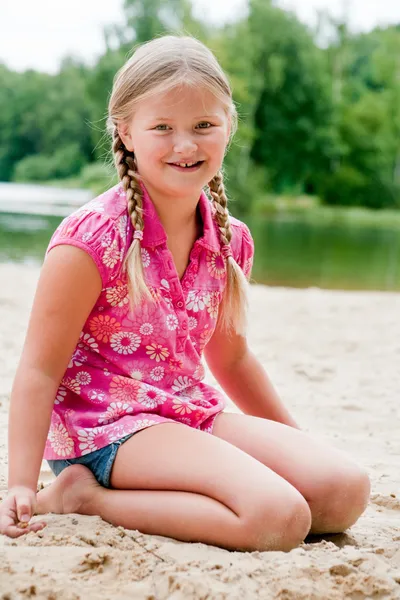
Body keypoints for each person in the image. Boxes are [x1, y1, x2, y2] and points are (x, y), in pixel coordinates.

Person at [0, 35, 370, 551]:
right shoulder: (91, 241)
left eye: (203, 126)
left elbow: (233, 359)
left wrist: (293, 442)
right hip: (105, 431)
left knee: (341, 492)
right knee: (277, 517)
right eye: (162, 128)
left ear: (228, 126)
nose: (185, 145)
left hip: (186, 412)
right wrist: (20, 481)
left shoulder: (230, 238)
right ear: (126, 131)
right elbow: (39, 370)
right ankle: (83, 498)